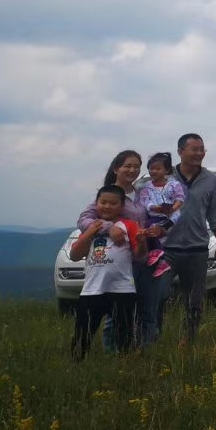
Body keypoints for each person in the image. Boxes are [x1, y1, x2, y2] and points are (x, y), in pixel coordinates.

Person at [76, 151, 146, 353]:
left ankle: (133, 350)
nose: (132, 170)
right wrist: (108, 227)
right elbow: (84, 220)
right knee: (107, 316)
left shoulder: (141, 193)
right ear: (116, 168)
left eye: (136, 166)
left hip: (137, 258)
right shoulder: (107, 194)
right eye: (127, 165)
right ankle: (111, 351)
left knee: (133, 312)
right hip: (107, 261)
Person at [162, 134, 216, 344]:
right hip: (165, 248)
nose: (199, 154)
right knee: (158, 296)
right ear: (180, 152)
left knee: (195, 300)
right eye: (194, 149)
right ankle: (152, 338)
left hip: (197, 248)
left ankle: (188, 340)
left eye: (202, 149)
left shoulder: (211, 179)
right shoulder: (164, 176)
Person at [69, 185, 141, 358]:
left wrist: (142, 241)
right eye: (103, 202)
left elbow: (139, 255)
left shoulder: (129, 226)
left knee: (124, 333)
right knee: (82, 331)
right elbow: (74, 255)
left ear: (122, 206)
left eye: (113, 203)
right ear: (96, 204)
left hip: (122, 289)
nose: (107, 206)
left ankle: (125, 363)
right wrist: (90, 232)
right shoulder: (91, 227)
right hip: (92, 289)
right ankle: (77, 363)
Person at [133, 152, 179, 346]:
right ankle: (141, 339)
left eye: (158, 168)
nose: (153, 171)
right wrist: (158, 208)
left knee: (156, 298)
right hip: (144, 238)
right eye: (151, 168)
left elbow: (179, 206)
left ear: (167, 170)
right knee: (143, 298)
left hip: (169, 235)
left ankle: (150, 340)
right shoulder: (143, 188)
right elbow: (146, 205)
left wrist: (170, 214)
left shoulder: (174, 186)